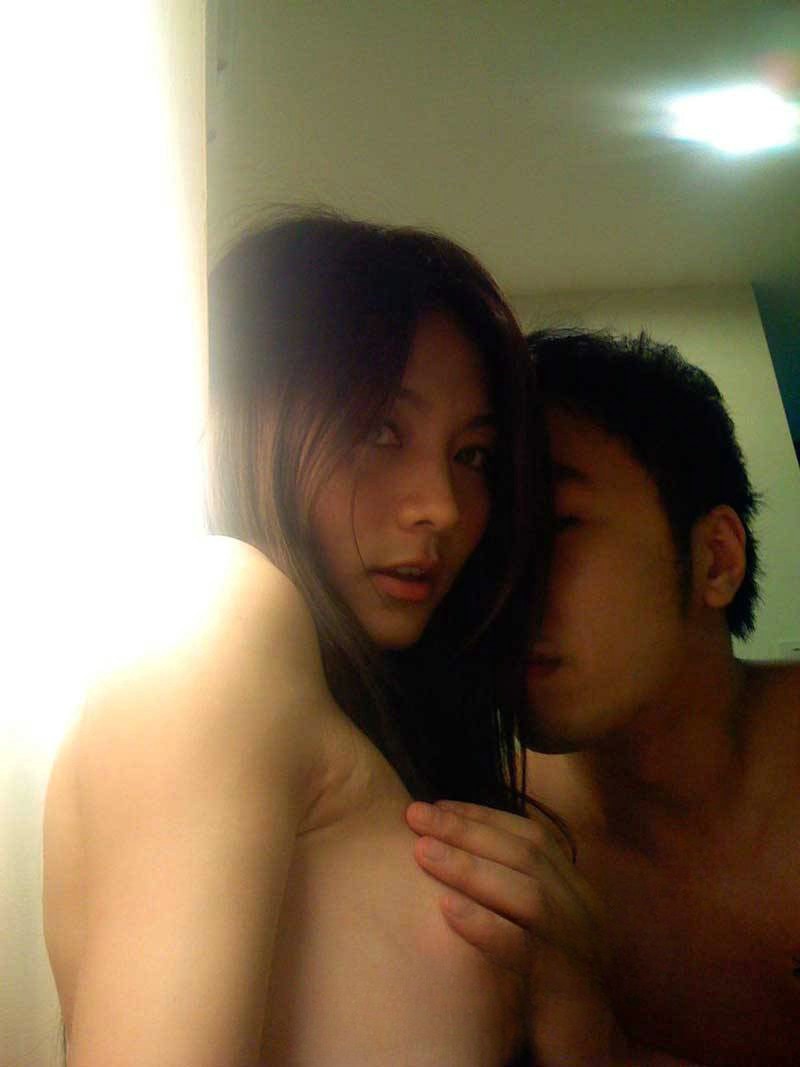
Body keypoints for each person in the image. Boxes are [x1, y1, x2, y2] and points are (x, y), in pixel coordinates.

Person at [42, 213, 550, 1066]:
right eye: (380, 431)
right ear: (260, 419)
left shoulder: (353, 712)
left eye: (472, 456)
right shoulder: (215, 612)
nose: (442, 506)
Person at [407, 329, 800, 1066]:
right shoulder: (502, 852)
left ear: (715, 558)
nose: (502, 590)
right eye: (489, 547)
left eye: (558, 528)